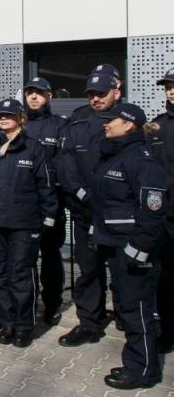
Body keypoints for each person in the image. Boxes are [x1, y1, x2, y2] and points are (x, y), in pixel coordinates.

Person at [0, 98, 57, 347]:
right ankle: (7, 322)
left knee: (20, 275)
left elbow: (46, 187)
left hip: (24, 224)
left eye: (9, 115)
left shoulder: (34, 148)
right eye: (0, 115)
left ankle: (24, 326)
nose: (3, 119)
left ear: (21, 118)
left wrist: (47, 219)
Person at [92, 103, 167, 389]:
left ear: (129, 125)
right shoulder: (114, 154)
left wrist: (140, 248)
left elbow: (153, 209)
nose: (106, 124)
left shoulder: (142, 158)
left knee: (138, 310)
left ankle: (144, 371)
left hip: (132, 249)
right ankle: (135, 361)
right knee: (126, 307)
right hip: (115, 245)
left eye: (113, 120)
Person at [57, 68, 121, 346]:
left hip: (119, 214)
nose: (96, 99)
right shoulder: (77, 120)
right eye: (92, 94)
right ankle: (89, 323)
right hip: (85, 211)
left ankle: (129, 321)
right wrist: (83, 194)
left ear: (117, 91)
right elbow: (66, 163)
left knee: (123, 271)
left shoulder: (128, 119)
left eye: (102, 93)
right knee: (89, 270)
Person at [22, 76, 67, 324]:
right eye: (30, 92)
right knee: (24, 257)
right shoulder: (20, 123)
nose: (34, 97)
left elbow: (62, 164)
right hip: (23, 205)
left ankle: (51, 304)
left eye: (39, 93)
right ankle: (27, 302)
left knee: (50, 256)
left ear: (49, 96)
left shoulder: (60, 125)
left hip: (50, 204)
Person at [152, 67, 174, 353]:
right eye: (168, 86)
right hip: (166, 217)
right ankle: (168, 332)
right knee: (167, 278)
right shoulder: (157, 127)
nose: (171, 91)